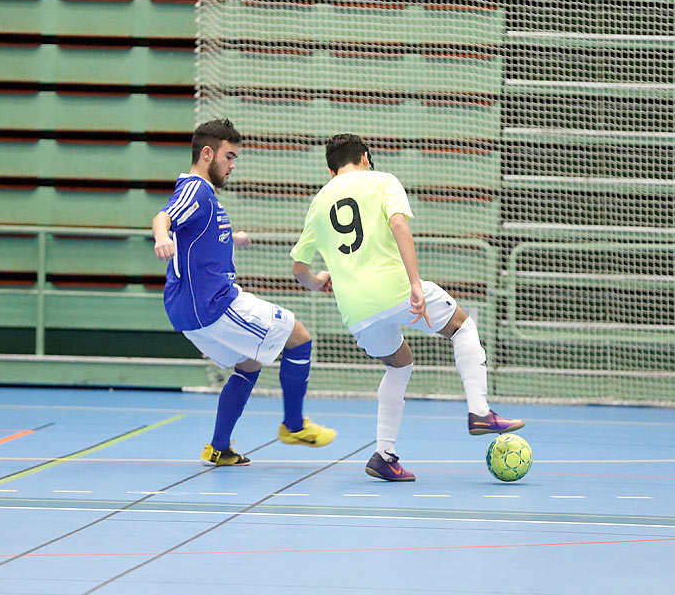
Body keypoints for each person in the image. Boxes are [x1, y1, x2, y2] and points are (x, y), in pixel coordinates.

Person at [290, 134, 522, 482]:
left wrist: (320, 278)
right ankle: (480, 410)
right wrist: (415, 283)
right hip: (395, 290)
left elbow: (298, 270)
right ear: (366, 157)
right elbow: (399, 224)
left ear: (330, 169)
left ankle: (384, 455)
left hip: (356, 311)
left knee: (399, 366)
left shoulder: (318, 202)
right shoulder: (384, 180)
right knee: (462, 326)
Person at [153, 118, 336, 465]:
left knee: (249, 365)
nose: (233, 166)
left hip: (187, 310)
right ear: (207, 154)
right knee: (299, 336)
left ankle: (219, 448)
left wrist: (230, 238)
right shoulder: (195, 188)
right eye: (230, 157)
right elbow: (163, 217)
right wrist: (162, 236)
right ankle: (294, 425)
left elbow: (196, 236)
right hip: (212, 304)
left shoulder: (205, 196)